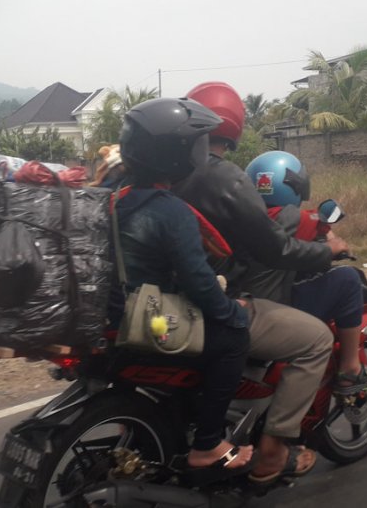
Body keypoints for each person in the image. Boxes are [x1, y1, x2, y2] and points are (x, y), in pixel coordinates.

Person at [173, 82, 338, 484]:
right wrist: (327, 253)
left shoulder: (156, 177)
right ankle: (272, 451)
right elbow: (275, 251)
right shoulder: (226, 179)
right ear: (234, 129)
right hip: (208, 303)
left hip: (156, 301)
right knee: (316, 340)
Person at [109, 97, 254, 479]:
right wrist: (231, 310)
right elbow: (198, 281)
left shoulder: (113, 197)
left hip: (110, 314)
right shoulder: (171, 210)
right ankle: (207, 443)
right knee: (234, 337)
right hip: (149, 322)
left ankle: (139, 421)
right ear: (175, 155)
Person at [245, 150, 367, 394]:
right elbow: (326, 229)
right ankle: (350, 369)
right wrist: (337, 246)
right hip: (273, 308)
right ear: (294, 185)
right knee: (348, 278)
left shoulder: (241, 217)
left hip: (240, 303)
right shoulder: (293, 217)